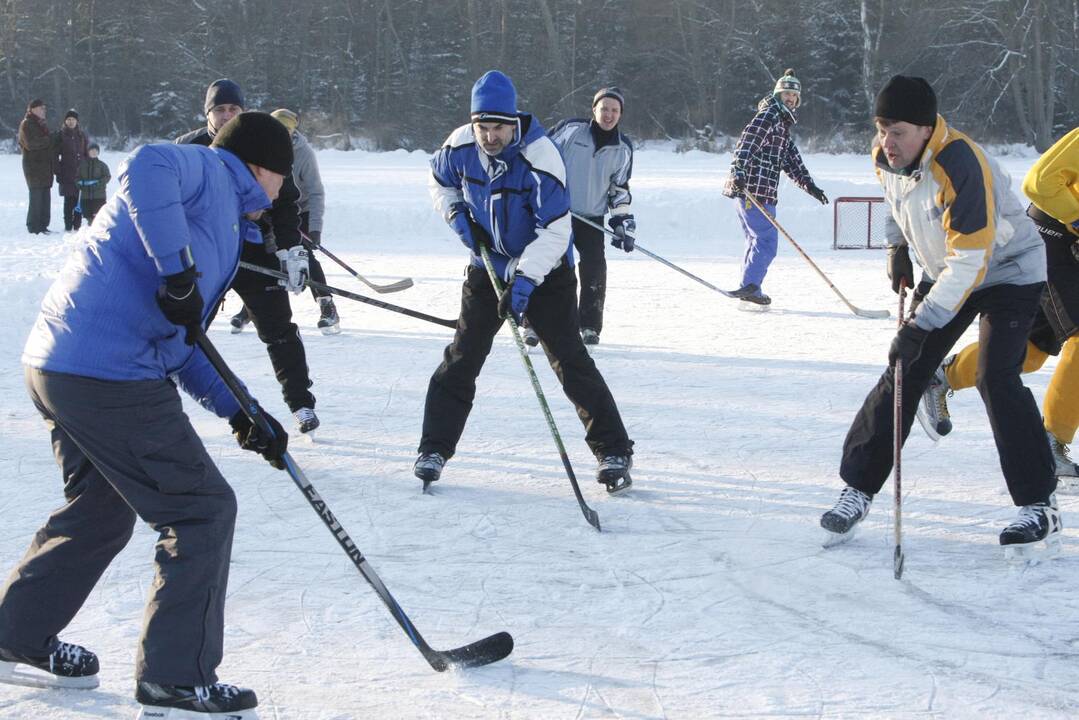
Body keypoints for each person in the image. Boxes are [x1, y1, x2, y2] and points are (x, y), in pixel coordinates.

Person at [0, 112, 293, 719]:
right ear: (264, 168)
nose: (283, 194)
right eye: (283, 179)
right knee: (200, 508)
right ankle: (176, 678)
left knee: (103, 507)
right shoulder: (210, 171)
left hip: (63, 364)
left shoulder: (221, 222)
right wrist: (177, 270)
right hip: (106, 373)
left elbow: (180, 340)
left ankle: (14, 632)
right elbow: (144, 166)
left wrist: (244, 411)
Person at [820, 75, 1060, 554]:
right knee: (904, 371)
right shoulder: (884, 154)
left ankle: (1039, 505)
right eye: (882, 128)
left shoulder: (960, 163)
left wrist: (922, 323)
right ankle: (858, 488)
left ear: (928, 130)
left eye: (899, 131)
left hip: (1007, 270)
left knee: (997, 375)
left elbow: (972, 260)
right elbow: (895, 200)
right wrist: (897, 247)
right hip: (948, 268)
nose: (888, 141)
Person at [414, 70, 635, 493]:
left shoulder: (541, 157)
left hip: (546, 272)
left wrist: (526, 280)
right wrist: (456, 214)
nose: (490, 136)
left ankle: (614, 450)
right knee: (462, 357)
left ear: (513, 121)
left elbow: (556, 230)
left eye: (498, 127)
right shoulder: (459, 145)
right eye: (483, 126)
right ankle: (434, 448)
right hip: (489, 266)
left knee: (569, 360)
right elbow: (438, 181)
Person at [918, 126, 1079, 488]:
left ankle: (942, 376)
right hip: (1052, 235)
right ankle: (1050, 446)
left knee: (1031, 352)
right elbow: (1039, 183)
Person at [177, 79, 321, 435]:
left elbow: (286, 200)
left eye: (233, 109)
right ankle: (161, 398)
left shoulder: (259, 139)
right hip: (206, 257)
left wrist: (291, 250)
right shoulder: (189, 148)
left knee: (278, 329)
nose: (227, 116)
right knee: (186, 329)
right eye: (219, 109)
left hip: (254, 252)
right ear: (207, 113)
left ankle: (301, 403)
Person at [722, 69, 828, 306]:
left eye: (794, 95)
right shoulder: (769, 116)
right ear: (778, 95)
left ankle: (749, 288)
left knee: (755, 241)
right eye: (786, 93)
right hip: (753, 190)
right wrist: (738, 173)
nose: (790, 98)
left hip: (761, 192)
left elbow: (792, 162)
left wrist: (810, 186)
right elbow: (745, 145)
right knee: (767, 241)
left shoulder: (781, 125)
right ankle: (750, 288)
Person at [549, 87, 635, 347]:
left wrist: (622, 224)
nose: (608, 114)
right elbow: (542, 156)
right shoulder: (571, 130)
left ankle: (589, 326)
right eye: (604, 108)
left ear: (620, 114)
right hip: (558, 214)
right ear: (594, 110)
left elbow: (619, 189)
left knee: (594, 270)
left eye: (614, 110)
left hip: (592, 218)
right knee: (552, 268)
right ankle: (538, 322)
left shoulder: (623, 148)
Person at [269, 107, 340, 334]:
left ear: (293, 132)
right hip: (274, 208)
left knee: (303, 255)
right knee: (268, 253)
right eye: (276, 129)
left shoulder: (304, 153)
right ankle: (250, 310)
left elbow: (316, 192)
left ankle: (327, 305)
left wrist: (315, 228)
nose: (281, 134)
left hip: (302, 209)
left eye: (286, 130)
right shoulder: (262, 146)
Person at [18, 99, 55, 235]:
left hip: (45, 166)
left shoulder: (41, 124)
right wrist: (49, 139)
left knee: (45, 196)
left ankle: (43, 225)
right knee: (36, 196)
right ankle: (34, 226)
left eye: (44, 108)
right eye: (41, 108)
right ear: (32, 109)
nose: (43, 111)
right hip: (33, 167)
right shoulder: (26, 124)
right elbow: (30, 144)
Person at [55, 109, 89, 232]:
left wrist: (88, 168)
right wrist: (58, 170)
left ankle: (77, 225)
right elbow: (55, 155)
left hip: (81, 173)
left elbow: (87, 153)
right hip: (66, 173)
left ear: (77, 121)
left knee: (79, 200)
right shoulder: (61, 135)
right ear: (65, 121)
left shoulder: (82, 135)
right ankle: (68, 225)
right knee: (68, 201)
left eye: (73, 120)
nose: (71, 122)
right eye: (68, 119)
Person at [75, 142, 111, 225]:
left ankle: (96, 229)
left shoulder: (102, 165)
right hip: (86, 196)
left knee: (99, 215)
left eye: (96, 151)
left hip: (99, 196)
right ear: (88, 152)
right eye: (92, 150)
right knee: (88, 215)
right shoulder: (82, 165)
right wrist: (80, 184)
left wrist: (98, 183)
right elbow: (77, 178)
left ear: (98, 152)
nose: (94, 152)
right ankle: (90, 227)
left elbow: (107, 177)